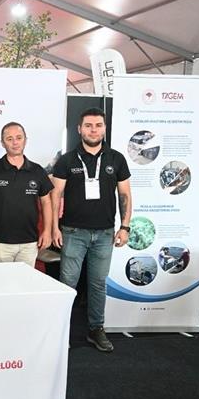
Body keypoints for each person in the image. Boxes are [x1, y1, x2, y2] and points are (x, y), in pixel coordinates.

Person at [50, 107, 132, 353]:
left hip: (105, 233)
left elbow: (125, 194)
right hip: (73, 232)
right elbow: (55, 195)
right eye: (88, 125)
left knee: (98, 284)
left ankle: (96, 329)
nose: (93, 130)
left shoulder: (116, 159)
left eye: (98, 125)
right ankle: (60, 331)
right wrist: (54, 227)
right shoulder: (67, 160)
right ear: (79, 129)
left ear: (104, 129)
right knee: (67, 284)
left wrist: (125, 226)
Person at [0, 122, 53, 266]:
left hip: (30, 241)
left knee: (25, 280)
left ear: (25, 140)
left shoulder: (37, 170)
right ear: (2, 143)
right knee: (1, 280)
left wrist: (47, 231)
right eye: (9, 139)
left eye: (19, 138)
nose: (15, 142)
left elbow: (46, 202)